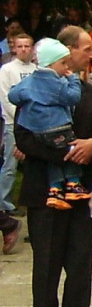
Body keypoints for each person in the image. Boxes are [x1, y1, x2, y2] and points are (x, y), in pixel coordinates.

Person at [16, 25, 92, 307]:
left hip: (82, 191)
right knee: (46, 263)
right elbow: (24, 137)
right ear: (66, 53)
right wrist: (64, 152)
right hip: (46, 190)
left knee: (80, 262)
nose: (91, 55)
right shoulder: (34, 90)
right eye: (86, 49)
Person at [9, 38, 87, 210]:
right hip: (58, 127)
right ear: (51, 65)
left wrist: (25, 95)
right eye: (63, 63)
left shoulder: (28, 82)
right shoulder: (57, 83)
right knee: (71, 151)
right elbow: (73, 97)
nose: (67, 67)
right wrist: (73, 80)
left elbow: (13, 96)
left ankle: (55, 189)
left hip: (36, 131)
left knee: (52, 157)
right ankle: (73, 183)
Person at [0, 32, 36, 213]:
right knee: (10, 166)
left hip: (35, 126)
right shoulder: (6, 70)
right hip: (13, 124)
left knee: (32, 166)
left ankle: (30, 200)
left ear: (32, 48)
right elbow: (6, 99)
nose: (23, 50)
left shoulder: (36, 70)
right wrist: (20, 121)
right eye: (20, 46)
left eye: (27, 46)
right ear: (14, 48)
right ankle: (4, 203)